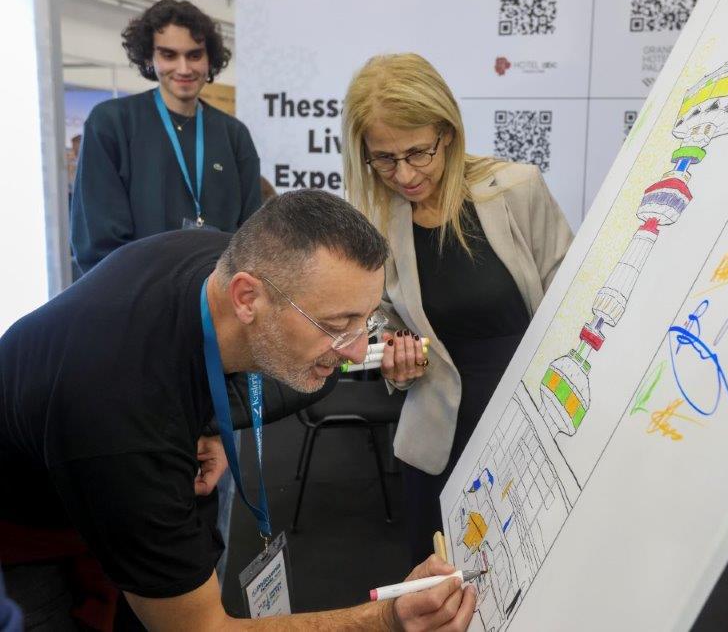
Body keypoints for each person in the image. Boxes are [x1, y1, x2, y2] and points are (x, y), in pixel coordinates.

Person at [1, 190, 476, 630]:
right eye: (337, 325)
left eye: (365, 320)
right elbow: (200, 628)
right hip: (27, 530)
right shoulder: (126, 423)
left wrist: (207, 422)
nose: (356, 351)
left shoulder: (228, 262)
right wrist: (388, 618)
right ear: (246, 298)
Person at [342, 53, 574, 563]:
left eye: (417, 152)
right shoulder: (372, 218)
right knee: (442, 585)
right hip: (438, 441)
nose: (404, 174)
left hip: (532, 425)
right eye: (384, 159)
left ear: (446, 132)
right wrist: (392, 354)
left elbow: (571, 304)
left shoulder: (516, 190)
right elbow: (375, 318)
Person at [71, 0, 262, 274]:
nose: (184, 69)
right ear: (149, 58)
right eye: (169, 55)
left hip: (217, 295)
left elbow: (252, 235)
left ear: (209, 59)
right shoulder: (111, 124)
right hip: (136, 293)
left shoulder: (234, 135)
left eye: (194, 55)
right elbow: (96, 244)